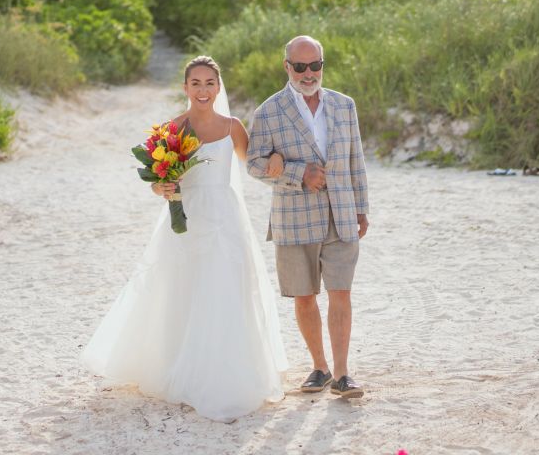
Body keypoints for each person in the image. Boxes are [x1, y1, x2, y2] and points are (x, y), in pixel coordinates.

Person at [81, 56, 288, 422]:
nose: (203, 90)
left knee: (225, 287)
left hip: (225, 217)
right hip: (186, 218)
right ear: (185, 87)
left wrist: (275, 157)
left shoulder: (232, 126)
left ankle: (224, 366)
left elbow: (253, 166)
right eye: (196, 83)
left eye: (210, 83)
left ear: (218, 87)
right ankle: (179, 363)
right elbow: (161, 180)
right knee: (181, 287)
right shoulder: (173, 129)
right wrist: (161, 187)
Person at [246, 36, 369, 398]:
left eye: (315, 65)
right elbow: (254, 165)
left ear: (322, 65)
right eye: (300, 66)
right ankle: (320, 367)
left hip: (341, 213)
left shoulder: (345, 106)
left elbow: (355, 161)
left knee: (341, 293)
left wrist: (362, 207)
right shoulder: (268, 112)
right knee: (304, 296)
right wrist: (299, 174)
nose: (308, 73)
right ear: (287, 66)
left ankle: (344, 374)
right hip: (293, 216)